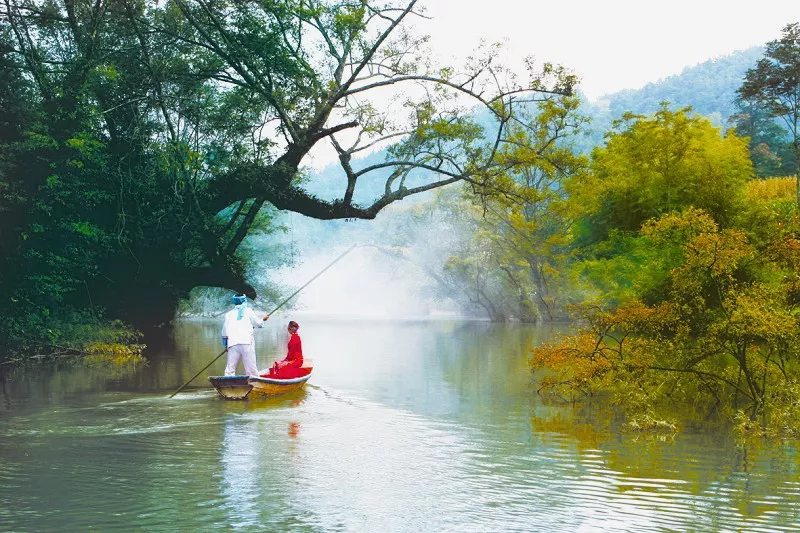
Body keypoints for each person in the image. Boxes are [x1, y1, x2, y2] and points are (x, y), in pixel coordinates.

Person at [221, 293, 269, 376]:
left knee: (230, 369)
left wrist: (226, 345)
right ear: (244, 300)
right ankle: (254, 383)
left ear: (234, 302)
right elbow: (258, 324)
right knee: (251, 368)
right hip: (246, 343)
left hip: (232, 343)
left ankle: (227, 383)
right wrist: (263, 319)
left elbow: (224, 332)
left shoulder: (228, 314)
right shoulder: (248, 311)